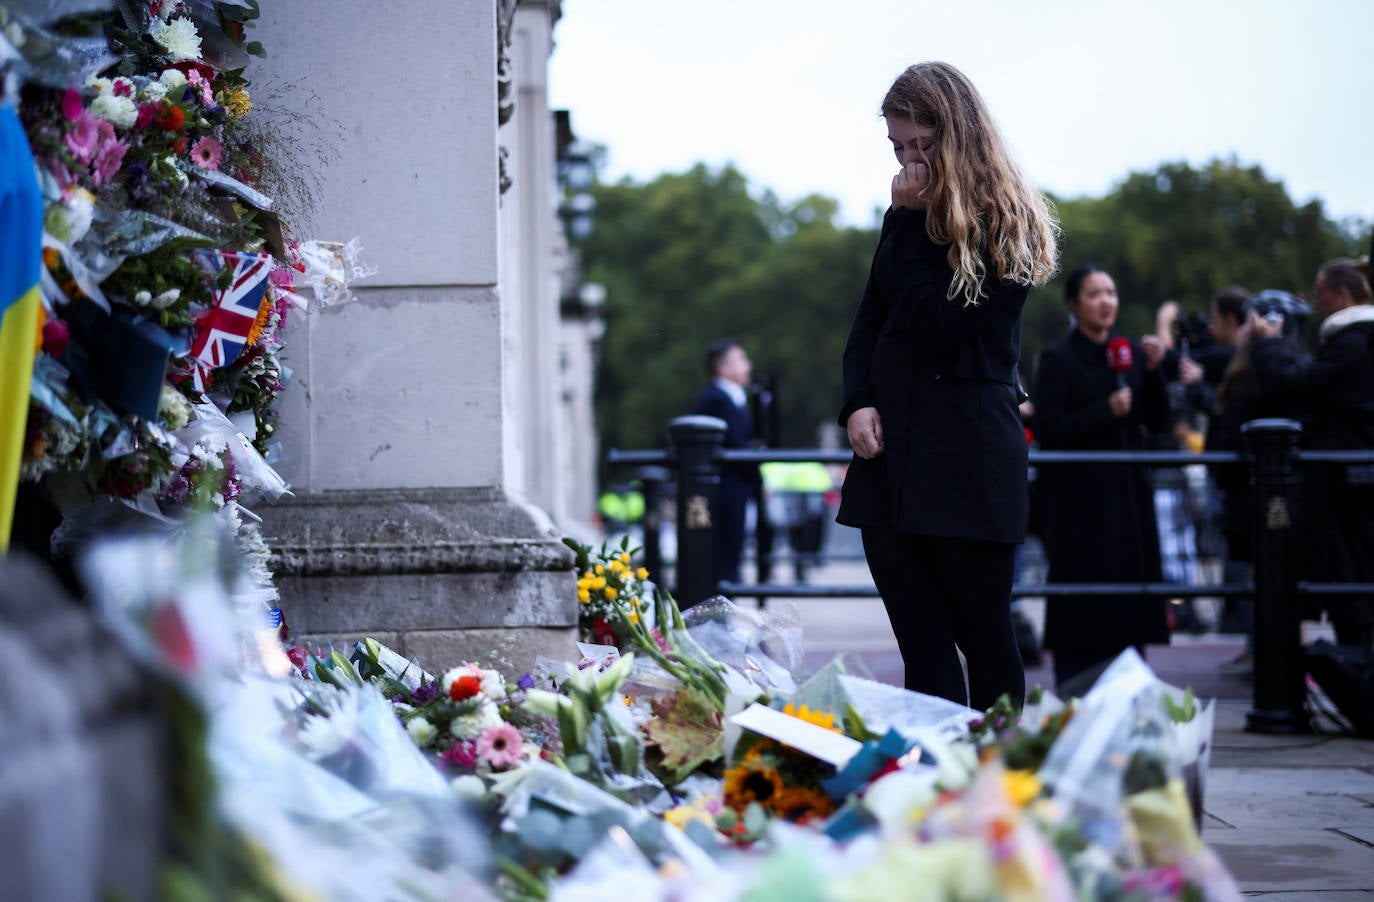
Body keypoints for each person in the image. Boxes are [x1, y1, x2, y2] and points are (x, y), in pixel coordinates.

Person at [836, 61, 1058, 711]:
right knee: (923, 642)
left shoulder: (1005, 221)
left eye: (921, 145)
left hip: (967, 451)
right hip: (891, 455)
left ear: (956, 134)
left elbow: (937, 326)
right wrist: (857, 401)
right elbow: (869, 323)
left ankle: (1000, 788)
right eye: (898, 148)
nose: (908, 162)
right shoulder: (905, 217)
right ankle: (936, 787)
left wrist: (905, 225)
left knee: (984, 638)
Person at [1030, 265, 1171, 695]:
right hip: (1080, 501)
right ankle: (1076, 695)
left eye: (1111, 292)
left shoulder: (1128, 355)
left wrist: (1156, 373)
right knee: (1083, 601)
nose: (1106, 301)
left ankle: (1130, 693)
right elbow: (1049, 427)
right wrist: (1103, 412)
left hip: (1128, 496)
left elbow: (1158, 421)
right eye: (1095, 294)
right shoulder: (1058, 358)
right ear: (1074, 304)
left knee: (1128, 600)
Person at [1249, 259, 1374, 651]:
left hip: (1348, 484)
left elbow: (1299, 383)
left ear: (1342, 295)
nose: (1317, 304)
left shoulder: (1355, 341)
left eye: (1321, 294)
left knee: (1349, 580)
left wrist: (1268, 344)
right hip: (1350, 479)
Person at [693, 338, 759, 586]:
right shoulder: (718, 398)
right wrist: (757, 477)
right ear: (722, 368)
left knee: (729, 555)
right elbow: (737, 444)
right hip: (725, 489)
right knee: (726, 555)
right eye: (740, 359)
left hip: (731, 487)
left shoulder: (730, 397)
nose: (747, 365)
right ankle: (721, 614)